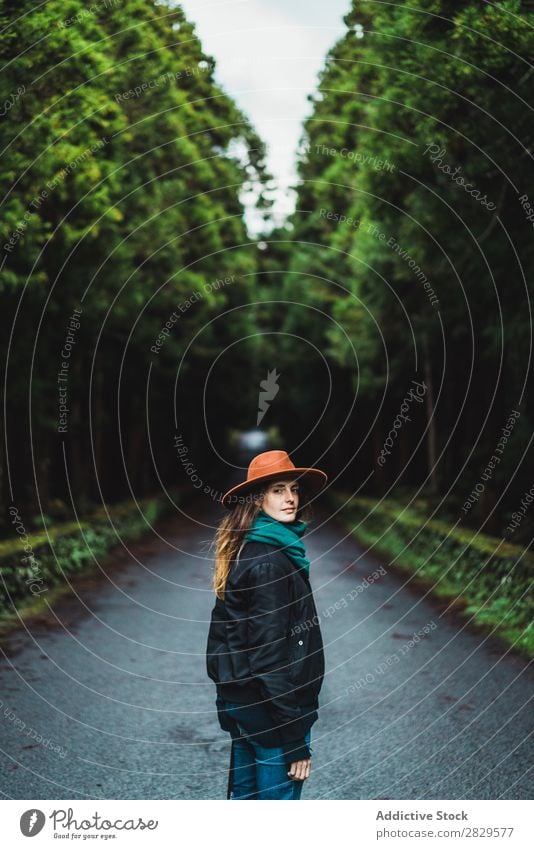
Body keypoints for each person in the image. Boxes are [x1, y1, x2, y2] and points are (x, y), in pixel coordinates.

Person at [206, 449, 328, 800]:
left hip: (248, 710)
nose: (290, 498)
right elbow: (269, 657)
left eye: (294, 489)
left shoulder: (251, 550)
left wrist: (229, 704)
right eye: (278, 490)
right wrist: (293, 739)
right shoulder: (270, 563)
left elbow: (224, 639)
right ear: (257, 500)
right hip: (273, 719)